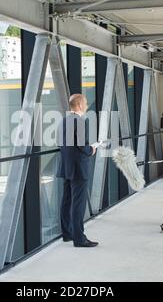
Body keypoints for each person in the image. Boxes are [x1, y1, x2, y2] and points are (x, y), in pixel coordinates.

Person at [56, 94, 98, 247]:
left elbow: (61, 143)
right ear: (79, 105)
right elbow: (82, 146)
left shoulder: (63, 121)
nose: (87, 106)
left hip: (66, 166)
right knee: (78, 204)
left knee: (66, 201)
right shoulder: (80, 121)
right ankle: (79, 239)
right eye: (85, 103)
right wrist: (92, 149)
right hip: (79, 168)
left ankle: (67, 234)